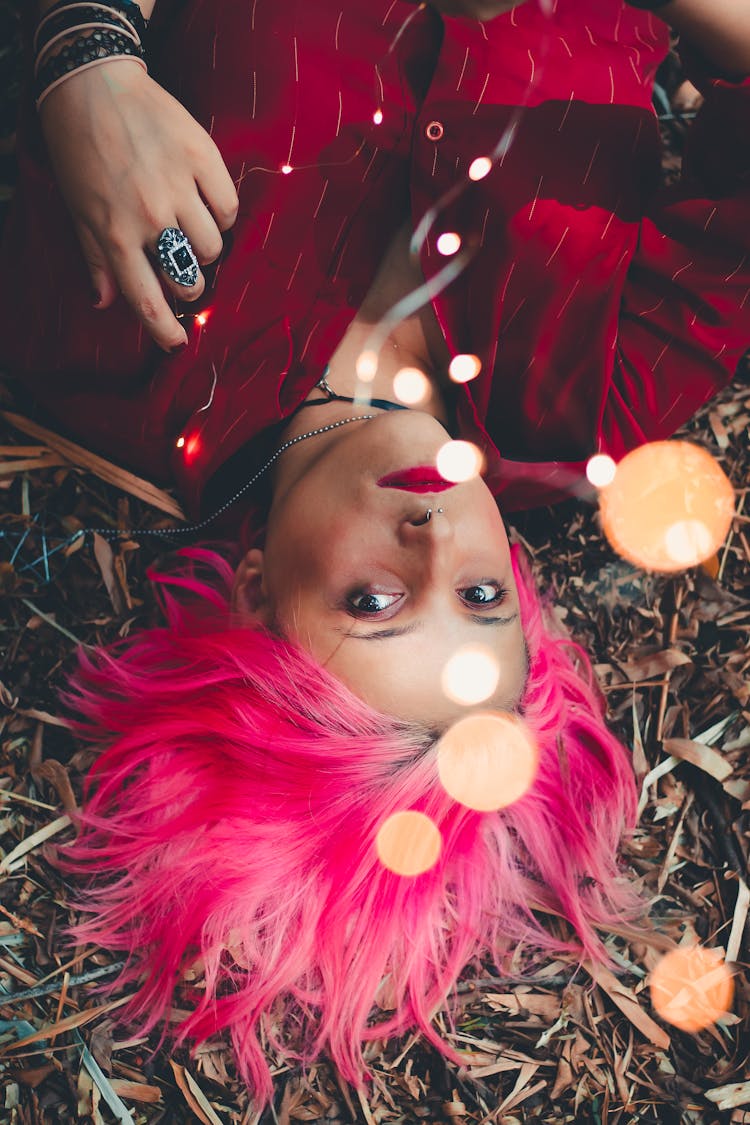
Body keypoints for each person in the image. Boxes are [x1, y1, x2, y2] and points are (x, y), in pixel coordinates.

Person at [0, 0, 748, 1104]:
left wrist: (80, 63)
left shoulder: (98, 342)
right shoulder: (598, 403)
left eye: (376, 601)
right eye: (482, 593)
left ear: (255, 599)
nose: (435, 538)